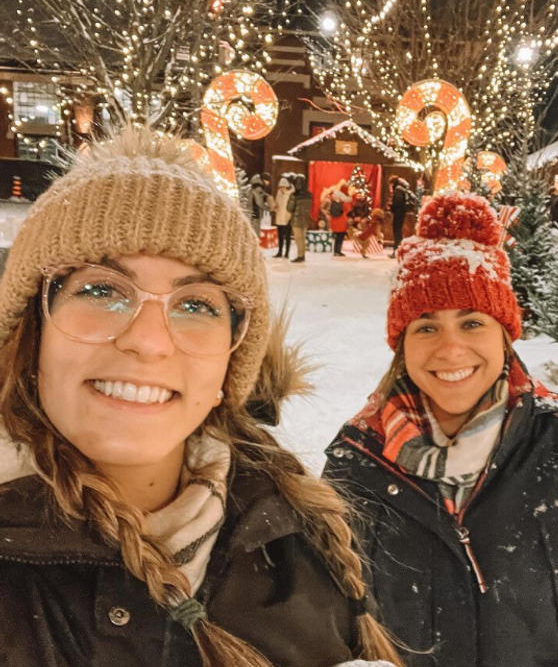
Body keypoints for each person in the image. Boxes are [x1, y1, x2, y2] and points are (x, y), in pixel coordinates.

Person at [0, 128, 400, 666]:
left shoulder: (299, 539)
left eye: (197, 305)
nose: (146, 340)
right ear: (32, 332)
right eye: (101, 290)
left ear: (229, 364)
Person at [323, 193, 558, 667]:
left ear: (503, 333)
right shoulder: (356, 461)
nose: (451, 349)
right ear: (401, 342)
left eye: (471, 323)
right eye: (425, 327)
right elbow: (333, 627)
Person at [324, 180, 352, 257]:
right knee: (340, 237)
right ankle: (338, 251)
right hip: (342, 220)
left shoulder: (337, 197)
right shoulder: (345, 199)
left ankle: (336, 251)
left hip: (335, 220)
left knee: (337, 237)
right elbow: (348, 210)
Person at [270, 173, 295, 259]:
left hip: (287, 218)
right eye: (280, 187)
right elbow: (277, 204)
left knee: (287, 236)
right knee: (280, 236)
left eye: (282, 187)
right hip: (279, 218)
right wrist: (275, 207)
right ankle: (280, 251)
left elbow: (292, 206)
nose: (281, 189)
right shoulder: (278, 194)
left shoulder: (290, 194)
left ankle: (287, 253)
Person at [290, 173, 313, 263]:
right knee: (303, 238)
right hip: (306, 219)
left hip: (296, 219)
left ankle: (300, 255)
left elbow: (290, 208)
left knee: (298, 238)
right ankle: (302, 254)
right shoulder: (309, 195)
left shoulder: (295, 195)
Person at [388, 176, 413, 258]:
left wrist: (391, 207)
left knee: (397, 232)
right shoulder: (402, 188)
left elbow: (397, 202)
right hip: (401, 212)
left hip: (398, 213)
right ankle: (398, 250)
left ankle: (397, 250)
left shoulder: (398, 189)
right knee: (398, 232)